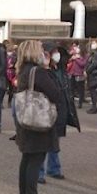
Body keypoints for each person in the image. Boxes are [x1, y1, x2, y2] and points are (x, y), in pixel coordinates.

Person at [14, 40, 61, 194]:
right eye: (41, 50)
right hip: (39, 121)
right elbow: (55, 93)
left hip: (26, 120)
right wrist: (48, 70)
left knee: (27, 159)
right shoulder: (39, 72)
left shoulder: (24, 70)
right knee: (35, 161)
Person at [39, 46, 80, 183]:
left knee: (55, 141)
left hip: (60, 110)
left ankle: (53, 168)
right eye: (53, 53)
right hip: (47, 110)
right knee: (43, 142)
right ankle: (40, 172)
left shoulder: (60, 70)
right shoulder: (43, 71)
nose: (56, 56)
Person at [85, 39, 97, 114]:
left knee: (93, 91)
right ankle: (94, 106)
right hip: (95, 74)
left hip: (94, 74)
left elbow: (94, 64)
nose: (92, 45)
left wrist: (87, 71)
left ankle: (94, 107)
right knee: (94, 91)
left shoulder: (96, 53)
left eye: (94, 43)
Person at [68, 43, 89, 108]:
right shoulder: (74, 55)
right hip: (72, 73)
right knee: (71, 89)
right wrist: (72, 58)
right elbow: (69, 61)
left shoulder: (85, 56)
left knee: (80, 89)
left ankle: (80, 103)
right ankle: (71, 102)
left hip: (79, 74)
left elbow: (82, 64)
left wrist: (76, 59)